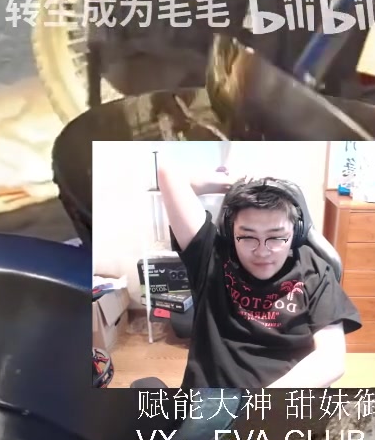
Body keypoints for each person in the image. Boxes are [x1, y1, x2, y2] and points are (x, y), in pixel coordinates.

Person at [154, 158, 359, 390]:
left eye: (276, 237)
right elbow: (168, 173)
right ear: (230, 230)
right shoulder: (210, 256)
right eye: (248, 236)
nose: (262, 251)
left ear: (296, 232)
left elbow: (331, 360)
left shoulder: (314, 271)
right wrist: (235, 183)